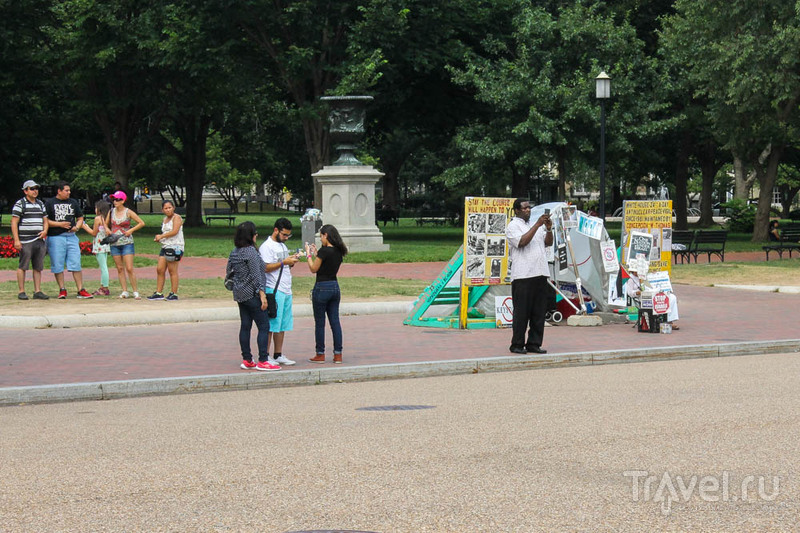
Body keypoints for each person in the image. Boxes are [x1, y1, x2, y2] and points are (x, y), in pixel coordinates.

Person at [226, 221, 280, 372]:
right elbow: (257, 274)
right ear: (251, 236)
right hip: (252, 293)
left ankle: (247, 359)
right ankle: (263, 359)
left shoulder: (235, 252)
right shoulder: (251, 251)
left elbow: (229, 271)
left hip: (239, 293)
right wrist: (262, 294)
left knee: (245, 326)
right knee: (264, 325)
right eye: (255, 233)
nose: (256, 236)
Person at [505, 198, 553, 354]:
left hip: (540, 273)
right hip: (523, 275)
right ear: (517, 210)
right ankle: (517, 344)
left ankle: (534, 343)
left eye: (529, 207)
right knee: (522, 313)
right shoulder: (513, 226)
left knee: (538, 312)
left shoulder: (536, 226)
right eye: (524, 208)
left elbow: (548, 243)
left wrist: (549, 229)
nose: (528, 210)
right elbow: (522, 242)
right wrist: (538, 225)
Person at [258, 218, 300, 366]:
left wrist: (290, 262)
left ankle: (278, 354)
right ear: (276, 230)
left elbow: (283, 265)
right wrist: (284, 262)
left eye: (288, 235)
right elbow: (265, 267)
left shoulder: (282, 246)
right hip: (273, 289)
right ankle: (266, 354)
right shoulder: (267, 246)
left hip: (286, 288)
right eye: (284, 234)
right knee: (272, 323)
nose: (286, 237)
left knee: (282, 324)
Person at [305, 224, 347, 364]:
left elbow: (314, 268)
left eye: (321, 236)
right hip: (334, 286)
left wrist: (309, 255)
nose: (321, 238)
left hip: (322, 287)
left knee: (320, 323)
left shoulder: (324, 251)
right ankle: (338, 354)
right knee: (335, 321)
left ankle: (320, 353)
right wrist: (317, 253)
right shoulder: (338, 251)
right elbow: (327, 263)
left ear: (326, 235)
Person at [45, 180, 93, 299]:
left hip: (71, 237)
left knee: (76, 263)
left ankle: (80, 289)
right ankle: (62, 289)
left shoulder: (73, 202)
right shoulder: (50, 203)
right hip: (56, 237)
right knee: (57, 264)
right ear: (59, 191)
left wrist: (76, 227)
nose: (69, 192)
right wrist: (59, 224)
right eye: (66, 190)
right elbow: (45, 221)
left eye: (69, 190)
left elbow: (80, 217)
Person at [10, 180, 50, 300]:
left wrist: (45, 231)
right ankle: (21, 291)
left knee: (38, 266)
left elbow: (45, 220)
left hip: (39, 239)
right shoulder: (20, 204)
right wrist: (16, 240)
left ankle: (37, 290)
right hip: (26, 240)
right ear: (25, 191)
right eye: (32, 189)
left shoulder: (40, 203)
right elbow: (14, 222)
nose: (35, 191)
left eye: (36, 188)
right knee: (23, 265)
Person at [107, 190, 145, 299]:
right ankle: (124, 290)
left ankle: (135, 291)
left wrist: (131, 230)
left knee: (129, 267)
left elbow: (141, 223)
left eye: (118, 199)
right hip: (115, 242)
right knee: (119, 268)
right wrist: (108, 231)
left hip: (127, 242)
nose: (115, 201)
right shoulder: (111, 211)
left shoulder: (128, 212)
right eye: (114, 199)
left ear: (123, 200)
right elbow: (105, 224)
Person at [148, 201, 184, 301]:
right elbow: (165, 232)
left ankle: (174, 293)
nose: (168, 210)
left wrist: (162, 236)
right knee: (160, 269)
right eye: (166, 208)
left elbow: (174, 231)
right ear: (162, 210)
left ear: (173, 208)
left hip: (175, 247)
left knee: (172, 270)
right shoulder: (165, 219)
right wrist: (159, 238)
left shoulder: (177, 217)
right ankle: (159, 292)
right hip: (165, 246)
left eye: (169, 207)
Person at [81, 199, 113, 296]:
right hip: (105, 245)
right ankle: (103, 285)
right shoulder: (107, 218)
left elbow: (94, 233)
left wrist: (84, 226)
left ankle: (105, 287)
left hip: (99, 245)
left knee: (103, 267)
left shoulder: (98, 219)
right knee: (104, 265)